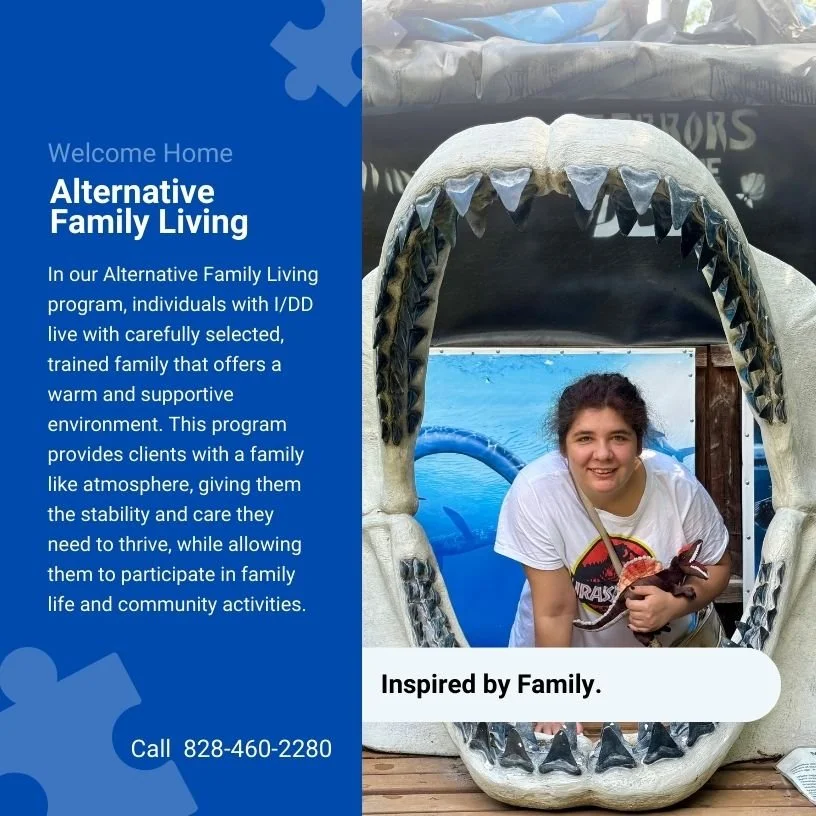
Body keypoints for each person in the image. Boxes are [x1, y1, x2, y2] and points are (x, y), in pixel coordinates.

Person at [493, 373, 731, 736]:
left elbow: (717, 565)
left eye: (618, 437)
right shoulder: (537, 491)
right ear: (563, 447)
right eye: (585, 438)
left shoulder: (677, 487)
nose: (602, 454)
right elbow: (555, 610)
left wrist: (674, 605)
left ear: (639, 444)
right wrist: (552, 701)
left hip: (659, 678)